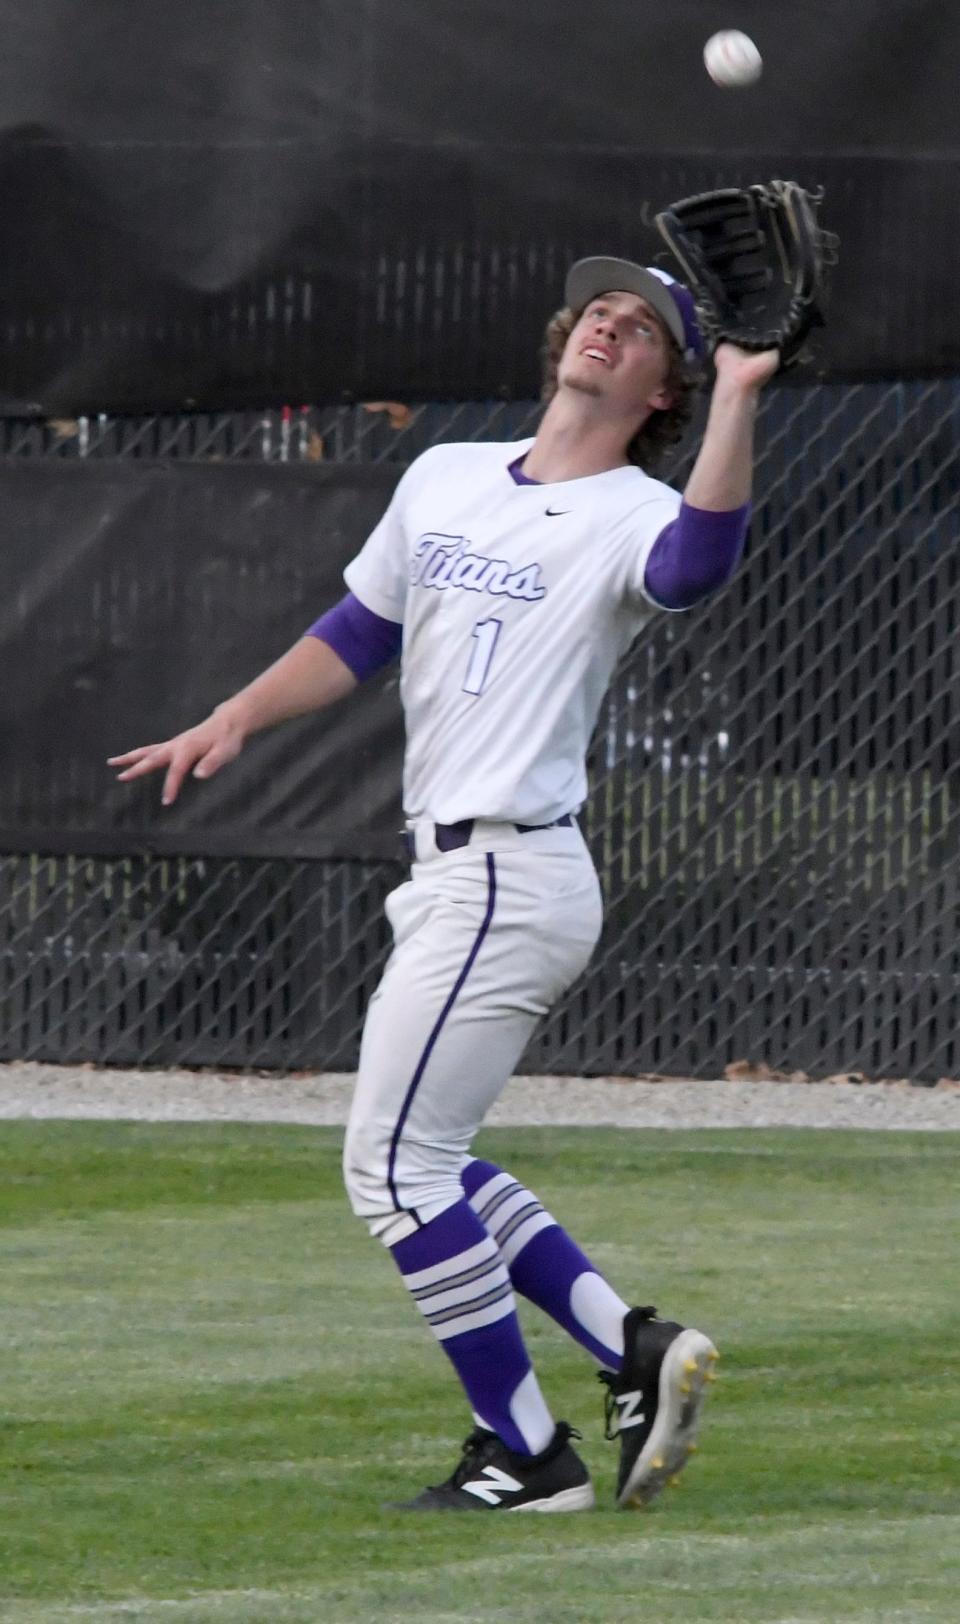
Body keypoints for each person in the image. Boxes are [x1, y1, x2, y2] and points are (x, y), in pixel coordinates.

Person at [109, 257, 779, 1512]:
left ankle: (527, 1453)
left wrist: (742, 392)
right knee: (437, 1156)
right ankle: (628, 1341)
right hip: (458, 876)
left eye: (641, 327)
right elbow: (359, 632)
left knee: (394, 1167)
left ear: (663, 387)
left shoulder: (637, 510)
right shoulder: (449, 475)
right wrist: (234, 717)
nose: (607, 322)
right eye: (599, 307)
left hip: (511, 869)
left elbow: (696, 566)